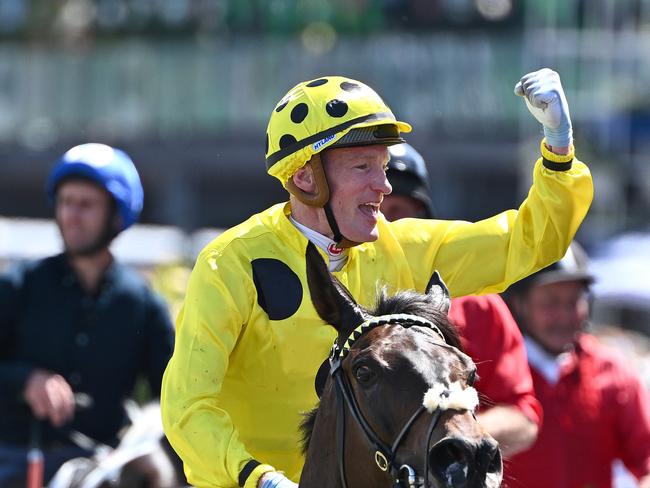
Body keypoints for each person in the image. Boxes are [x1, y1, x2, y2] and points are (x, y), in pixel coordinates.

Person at [161, 68, 594, 488]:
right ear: (305, 176)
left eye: (383, 167)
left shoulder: (402, 246)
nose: (384, 186)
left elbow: (529, 243)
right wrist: (261, 479)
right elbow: (187, 406)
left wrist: (559, 152)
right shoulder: (229, 263)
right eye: (363, 167)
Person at [0, 143, 176, 486]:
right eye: (65, 202)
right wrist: (26, 379)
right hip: (12, 460)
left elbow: (172, 399)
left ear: (115, 214)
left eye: (85, 204)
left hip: (100, 468)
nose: (71, 215)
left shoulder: (143, 306)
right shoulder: (17, 286)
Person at [382, 142, 541, 458]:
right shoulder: (334, 295)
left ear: (424, 219)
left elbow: (523, 418)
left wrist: (448, 440)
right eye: (374, 209)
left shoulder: (476, 303)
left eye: (399, 211)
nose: (387, 225)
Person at [502, 242, 650, 488]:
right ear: (519, 304)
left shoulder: (612, 371)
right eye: (550, 302)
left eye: (573, 301)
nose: (564, 315)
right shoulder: (491, 372)